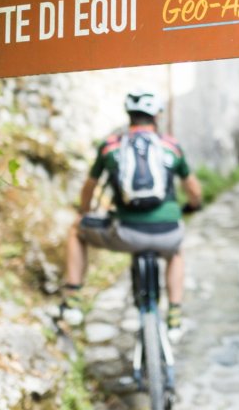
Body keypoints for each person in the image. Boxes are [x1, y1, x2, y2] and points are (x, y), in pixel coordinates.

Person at [62, 88, 202, 339]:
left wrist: (84, 212)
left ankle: (72, 300)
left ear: (129, 116)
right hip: (167, 233)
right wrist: (193, 206)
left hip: (125, 233)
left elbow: (90, 187)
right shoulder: (171, 146)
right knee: (175, 251)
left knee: (76, 230)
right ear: (156, 117)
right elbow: (192, 188)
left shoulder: (111, 146)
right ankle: (175, 314)